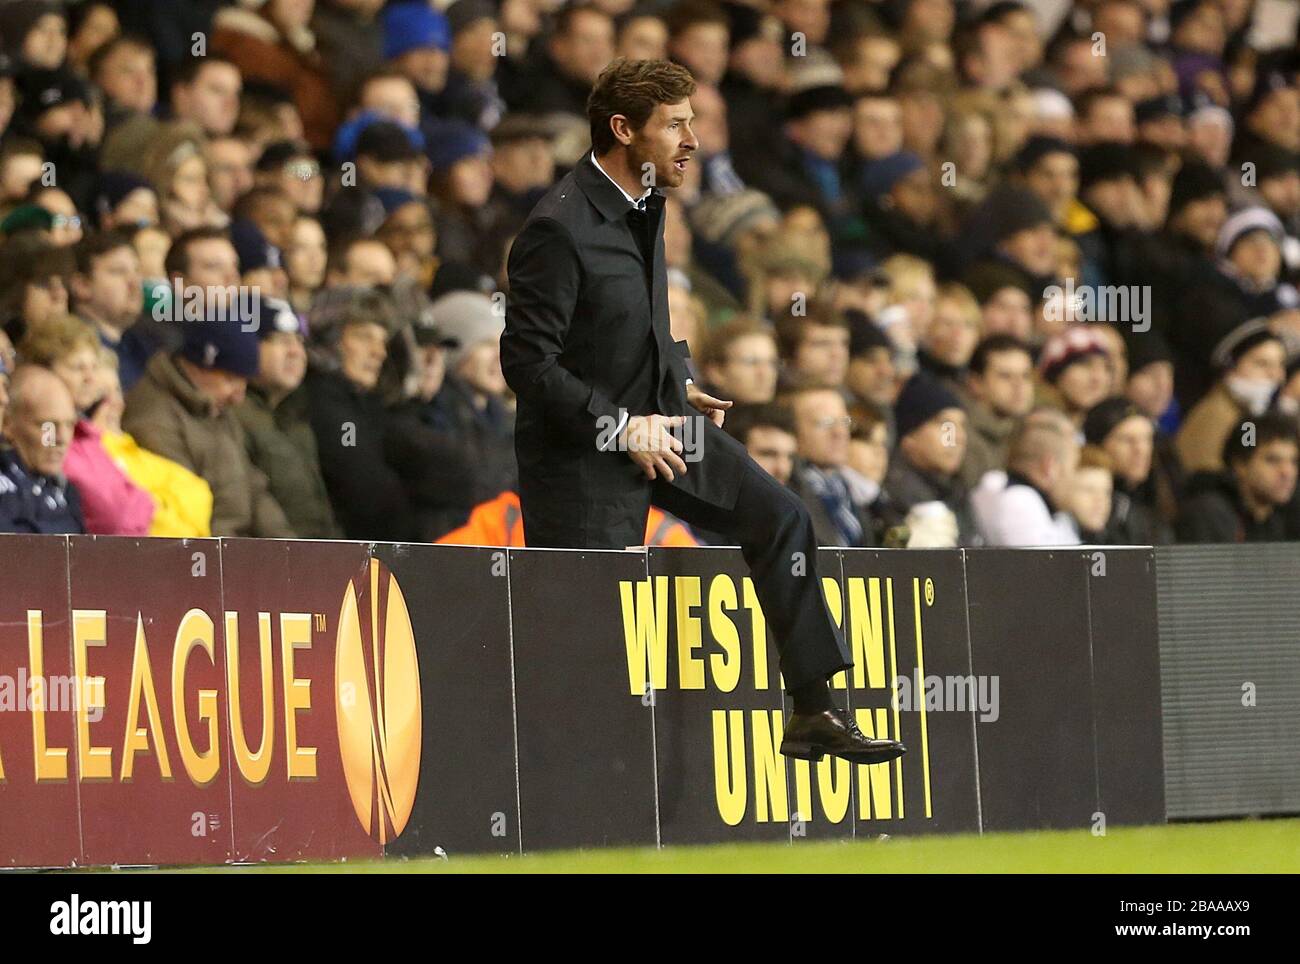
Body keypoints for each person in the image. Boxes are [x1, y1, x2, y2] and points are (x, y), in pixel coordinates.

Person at [501, 58, 900, 766]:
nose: (694, 140)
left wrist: (678, 377)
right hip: (581, 456)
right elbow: (528, 365)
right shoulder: (557, 228)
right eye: (676, 125)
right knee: (587, 637)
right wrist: (619, 426)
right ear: (623, 130)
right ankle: (557, 791)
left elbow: (638, 319)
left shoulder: (648, 200)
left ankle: (812, 710)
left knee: (781, 518)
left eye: (694, 123)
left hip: (663, 421)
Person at [1177, 413, 1300, 543]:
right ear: (1240, 464)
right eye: (1272, 460)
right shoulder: (1208, 515)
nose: (1287, 472)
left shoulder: (1283, 518)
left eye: (1293, 461)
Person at [970, 408, 1082, 546]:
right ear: (1049, 467)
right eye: (1072, 468)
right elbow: (1044, 565)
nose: (1074, 478)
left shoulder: (1026, 499)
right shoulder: (1020, 501)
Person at [0, 365, 84, 534]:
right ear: (9, 424)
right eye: (48, 426)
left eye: (69, 425)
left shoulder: (65, 489)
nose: (61, 439)